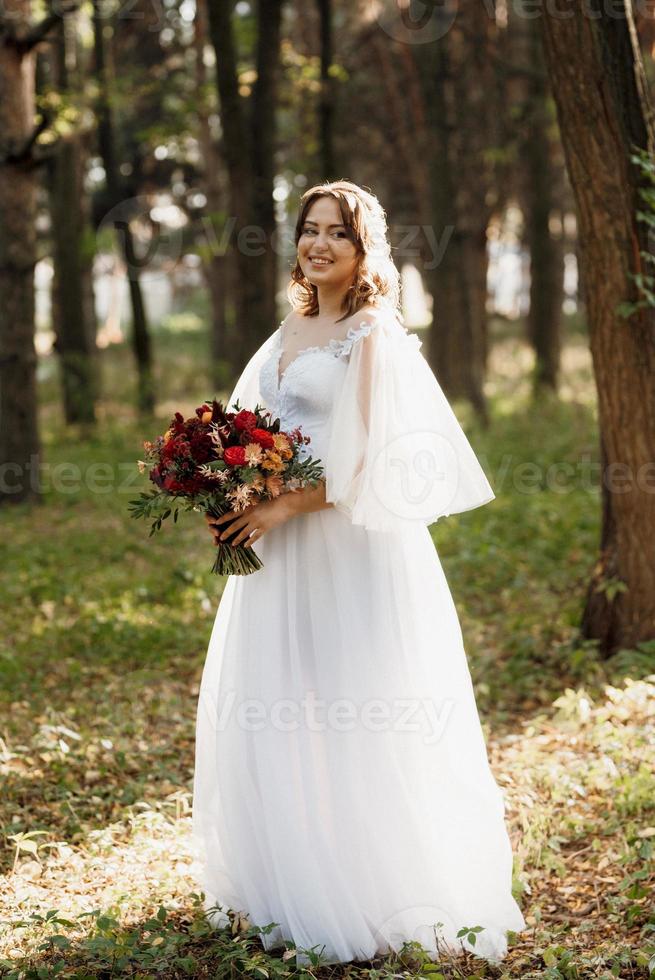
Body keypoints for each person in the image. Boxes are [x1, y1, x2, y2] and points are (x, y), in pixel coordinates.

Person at [191, 179, 526, 966]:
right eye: (309, 230)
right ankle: (292, 878)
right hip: (280, 557)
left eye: (336, 233)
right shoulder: (290, 325)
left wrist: (281, 507)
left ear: (363, 247)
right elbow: (250, 426)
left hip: (347, 546)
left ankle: (374, 890)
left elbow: (379, 465)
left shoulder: (371, 333)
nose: (318, 245)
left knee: (356, 703)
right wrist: (224, 486)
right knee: (285, 701)